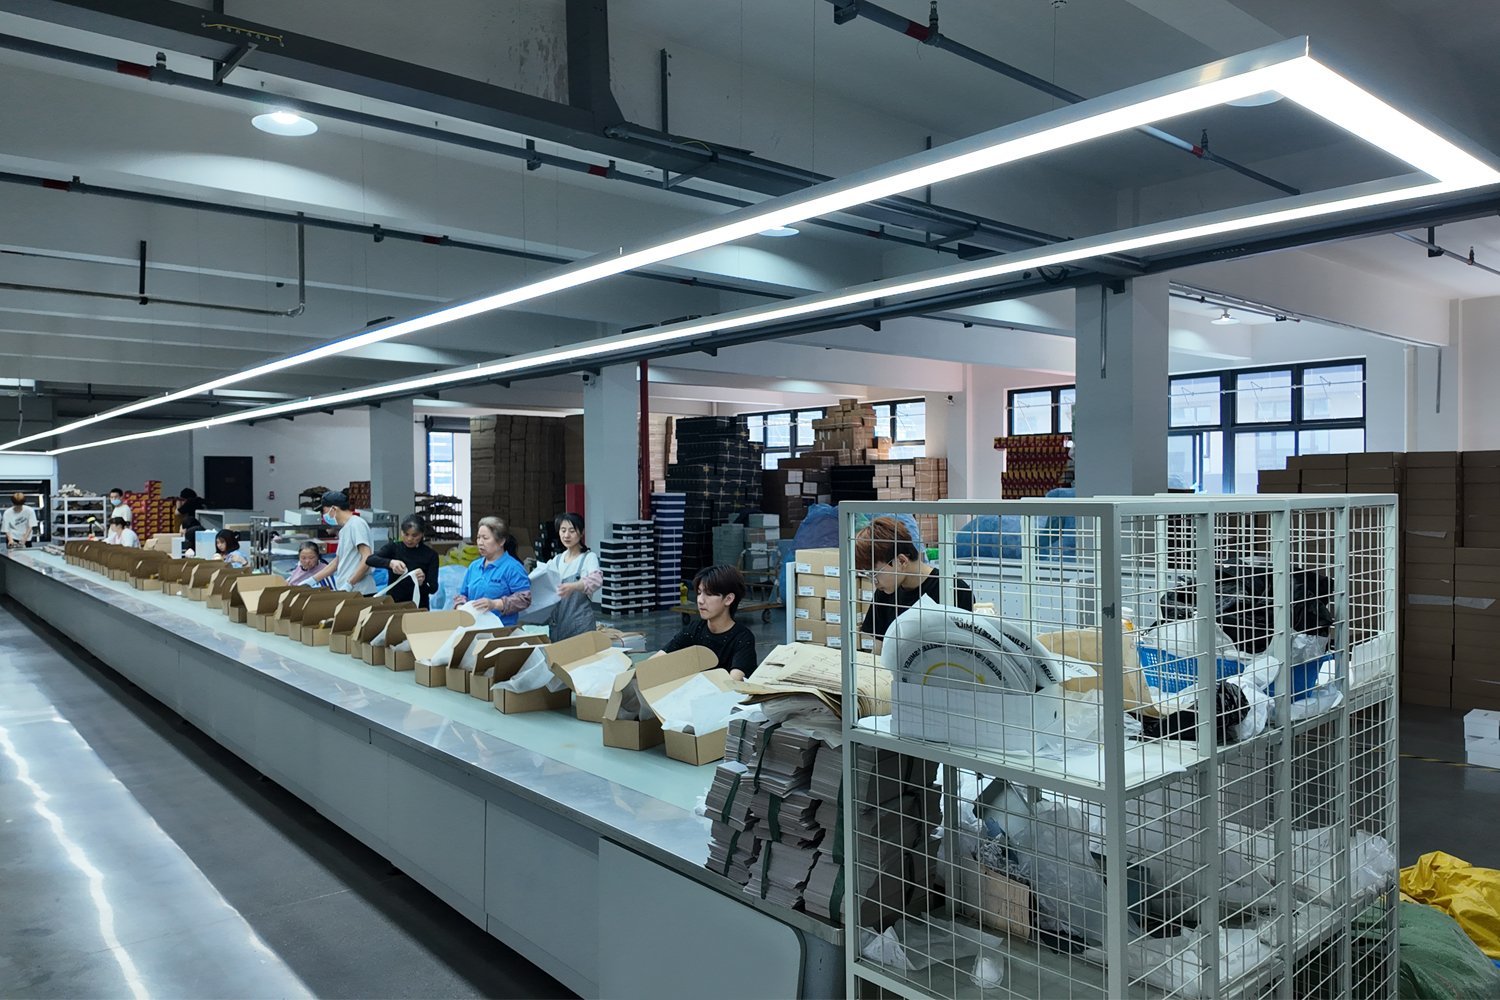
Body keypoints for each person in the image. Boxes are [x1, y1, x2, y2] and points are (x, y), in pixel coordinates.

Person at [855, 515, 974, 643]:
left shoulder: (955, 590)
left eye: (874, 573)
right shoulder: (885, 592)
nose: (874, 582)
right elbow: (879, 648)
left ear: (901, 561)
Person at [654, 564, 759, 680]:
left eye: (708, 594)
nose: (700, 600)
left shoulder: (742, 638)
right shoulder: (694, 630)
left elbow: (733, 681)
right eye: (699, 593)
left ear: (728, 599)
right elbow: (657, 661)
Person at [454, 516, 531, 626]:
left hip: (502, 629)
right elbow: (463, 594)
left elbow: (524, 598)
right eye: (478, 538)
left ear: (501, 541)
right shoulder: (474, 566)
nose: (480, 542)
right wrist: (460, 606)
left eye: (485, 538)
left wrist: (495, 604)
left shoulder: (513, 567)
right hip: (474, 628)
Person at [541, 511, 602, 641]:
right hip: (558, 626)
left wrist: (574, 586)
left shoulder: (588, 558)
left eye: (572, 531)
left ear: (581, 532)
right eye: (563, 530)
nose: (566, 535)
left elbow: (596, 580)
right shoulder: (557, 560)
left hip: (581, 626)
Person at [366, 515, 440, 608]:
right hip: (394, 603)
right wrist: (390, 563)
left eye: (414, 535)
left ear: (422, 534)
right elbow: (370, 560)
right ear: (401, 532)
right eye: (406, 534)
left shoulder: (430, 555)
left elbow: (433, 588)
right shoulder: (394, 548)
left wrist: (422, 582)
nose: (409, 539)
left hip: (419, 606)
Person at [310, 490, 375, 595]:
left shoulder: (356, 524)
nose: (323, 515)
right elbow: (337, 561)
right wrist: (312, 580)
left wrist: (350, 583)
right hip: (349, 591)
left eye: (324, 511)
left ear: (334, 509)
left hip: (360, 591)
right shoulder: (345, 529)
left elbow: (367, 558)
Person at [177, 488, 204, 556]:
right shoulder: (199, 500)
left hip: (192, 524)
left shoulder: (190, 501)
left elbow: (177, 512)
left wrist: (178, 504)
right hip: (198, 524)